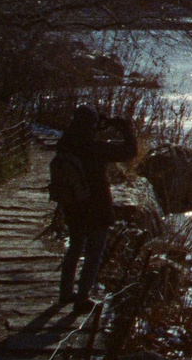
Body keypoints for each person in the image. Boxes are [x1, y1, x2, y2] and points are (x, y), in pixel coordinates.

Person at [47, 104, 136, 312]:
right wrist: (125, 128)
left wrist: (96, 122)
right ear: (91, 125)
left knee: (75, 248)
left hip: (73, 205)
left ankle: (65, 292)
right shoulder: (95, 148)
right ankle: (83, 298)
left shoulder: (65, 144)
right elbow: (130, 151)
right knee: (94, 253)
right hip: (96, 207)